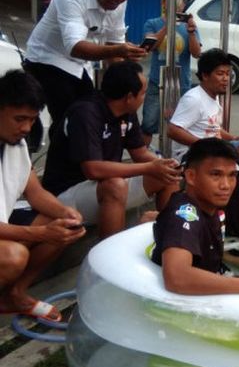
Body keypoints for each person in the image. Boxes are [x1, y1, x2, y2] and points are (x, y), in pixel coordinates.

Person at [41, 61, 181, 238]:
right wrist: (149, 167)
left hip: (101, 187)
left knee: (168, 175)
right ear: (129, 96)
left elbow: (139, 153)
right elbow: (93, 169)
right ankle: (109, 256)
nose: (144, 97)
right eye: (143, 93)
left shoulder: (127, 111)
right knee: (115, 185)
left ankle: (171, 239)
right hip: (65, 195)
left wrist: (165, 164)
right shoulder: (85, 112)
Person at [150, 138, 239, 299]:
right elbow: (176, 277)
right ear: (191, 176)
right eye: (216, 175)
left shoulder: (210, 207)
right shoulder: (185, 214)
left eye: (232, 175)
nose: (226, 185)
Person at [23, 0, 146, 139]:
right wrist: (119, 51)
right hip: (47, 60)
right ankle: (65, 163)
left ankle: (86, 159)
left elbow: (114, 42)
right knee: (71, 120)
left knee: (92, 113)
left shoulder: (119, 1)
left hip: (80, 65)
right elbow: (76, 47)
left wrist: (125, 80)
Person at [0, 71, 85, 322]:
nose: (26, 128)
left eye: (32, 119)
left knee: (62, 223)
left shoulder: (16, 142)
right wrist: (39, 234)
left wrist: (65, 213)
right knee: (13, 256)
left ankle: (14, 294)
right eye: (19, 119)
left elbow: (34, 191)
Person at [141, 0, 202, 147]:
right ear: (163, 3)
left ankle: (174, 157)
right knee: (148, 123)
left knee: (178, 125)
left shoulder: (189, 26)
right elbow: (150, 47)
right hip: (157, 81)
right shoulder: (152, 23)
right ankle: (141, 157)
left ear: (183, 4)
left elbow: (197, 53)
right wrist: (168, 25)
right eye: (171, 0)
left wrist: (192, 33)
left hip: (181, 83)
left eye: (179, 1)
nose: (176, 4)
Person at [167, 48, 237, 162]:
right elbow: (172, 130)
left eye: (228, 74)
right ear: (205, 75)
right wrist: (204, 146)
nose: (226, 79)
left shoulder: (214, 95)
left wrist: (233, 139)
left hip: (211, 151)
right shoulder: (194, 99)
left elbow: (212, 128)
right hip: (190, 156)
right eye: (220, 74)